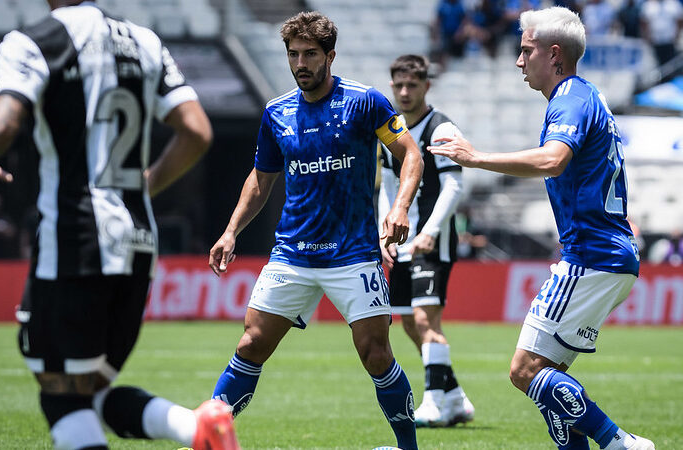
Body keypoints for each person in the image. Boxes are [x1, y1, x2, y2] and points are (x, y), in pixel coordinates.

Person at [0, 1, 237, 449]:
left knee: (61, 397)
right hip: (137, 242)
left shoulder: (34, 40)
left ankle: (200, 429)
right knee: (88, 392)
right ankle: (198, 429)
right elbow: (197, 132)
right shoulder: (145, 41)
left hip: (76, 240)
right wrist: (144, 188)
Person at [429, 7, 655, 449]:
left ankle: (620, 444)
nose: (518, 60)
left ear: (554, 55)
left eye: (526, 50)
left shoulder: (571, 99)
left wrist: (476, 158)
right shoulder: (583, 96)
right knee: (549, 376)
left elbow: (553, 160)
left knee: (525, 371)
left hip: (591, 255)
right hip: (605, 254)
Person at [207, 12, 424, 450]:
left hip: (354, 254)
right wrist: (231, 231)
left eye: (310, 54)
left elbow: (411, 156)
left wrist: (400, 208)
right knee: (250, 344)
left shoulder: (366, 102)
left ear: (330, 56)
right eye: (293, 55)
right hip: (293, 253)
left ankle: (408, 447)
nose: (300, 63)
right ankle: (208, 440)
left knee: (376, 355)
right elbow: (261, 178)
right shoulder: (276, 112)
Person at [378, 54, 473, 428]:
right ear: (391, 86)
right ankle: (454, 397)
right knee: (407, 322)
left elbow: (454, 185)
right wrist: (384, 229)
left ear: (426, 86)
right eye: (399, 85)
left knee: (425, 318)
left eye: (412, 85)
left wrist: (430, 232)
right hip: (401, 240)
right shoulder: (392, 128)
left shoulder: (442, 128)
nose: (404, 92)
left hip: (433, 241)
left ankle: (434, 403)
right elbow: (387, 182)